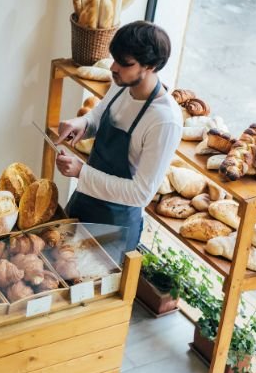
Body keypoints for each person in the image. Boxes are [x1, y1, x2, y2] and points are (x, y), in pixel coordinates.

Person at [55, 21, 182, 251]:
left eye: (124, 63)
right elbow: (99, 115)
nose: (113, 67)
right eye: (115, 59)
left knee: (85, 286)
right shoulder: (122, 83)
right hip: (83, 202)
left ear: (151, 66)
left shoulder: (165, 120)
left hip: (115, 228)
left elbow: (140, 193)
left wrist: (81, 171)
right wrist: (82, 123)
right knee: (56, 271)